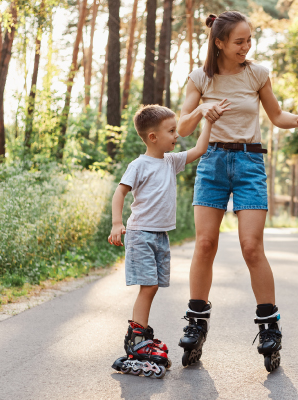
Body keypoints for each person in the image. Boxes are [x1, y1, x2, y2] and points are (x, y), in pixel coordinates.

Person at [175, 11, 298, 373]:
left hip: (250, 163)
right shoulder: (200, 77)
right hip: (212, 163)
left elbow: (277, 115)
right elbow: (181, 126)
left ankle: (269, 327)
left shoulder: (257, 73)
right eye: (239, 41)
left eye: (249, 40)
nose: (246, 46)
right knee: (205, 243)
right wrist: (203, 107)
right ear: (219, 42)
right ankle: (196, 320)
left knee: (252, 247)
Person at [107, 104, 213, 378]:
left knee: (153, 286)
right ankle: (137, 337)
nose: (176, 135)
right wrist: (117, 223)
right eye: (171, 131)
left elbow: (199, 150)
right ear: (152, 136)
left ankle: (139, 334)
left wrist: (207, 120)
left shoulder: (171, 161)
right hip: (141, 233)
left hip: (161, 235)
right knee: (149, 285)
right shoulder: (139, 165)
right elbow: (119, 193)